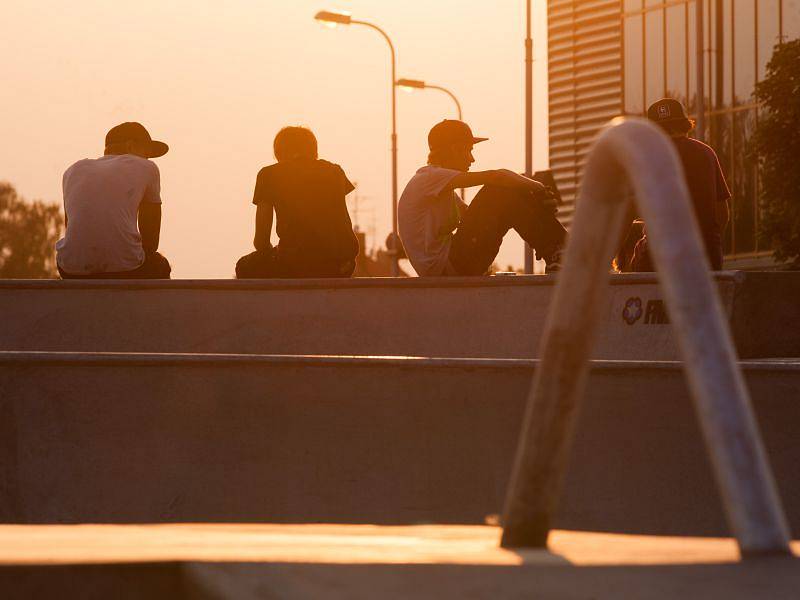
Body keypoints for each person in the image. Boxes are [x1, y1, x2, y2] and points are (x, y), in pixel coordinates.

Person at [398, 119, 567, 277]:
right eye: (469, 150)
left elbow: (482, 218)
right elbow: (497, 177)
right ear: (455, 149)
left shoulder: (441, 191)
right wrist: (538, 188)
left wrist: (532, 207)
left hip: (454, 264)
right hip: (449, 266)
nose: (472, 159)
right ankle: (560, 249)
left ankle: (555, 249)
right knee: (498, 190)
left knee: (510, 190)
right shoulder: (427, 178)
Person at [236, 126, 359, 278]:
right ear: (314, 151)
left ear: (278, 152)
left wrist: (272, 253)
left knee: (244, 266)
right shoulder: (335, 172)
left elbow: (261, 242)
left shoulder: (269, 175)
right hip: (341, 265)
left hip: (295, 262)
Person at [55, 122, 171, 279]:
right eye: (146, 152)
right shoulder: (147, 167)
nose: (148, 157)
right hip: (126, 269)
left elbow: (72, 229)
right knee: (161, 265)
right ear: (131, 147)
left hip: (70, 268)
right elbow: (150, 240)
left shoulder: (73, 171)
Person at [629, 98, 731, 271]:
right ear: (685, 124)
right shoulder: (707, 154)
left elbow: (628, 211)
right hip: (707, 258)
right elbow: (723, 214)